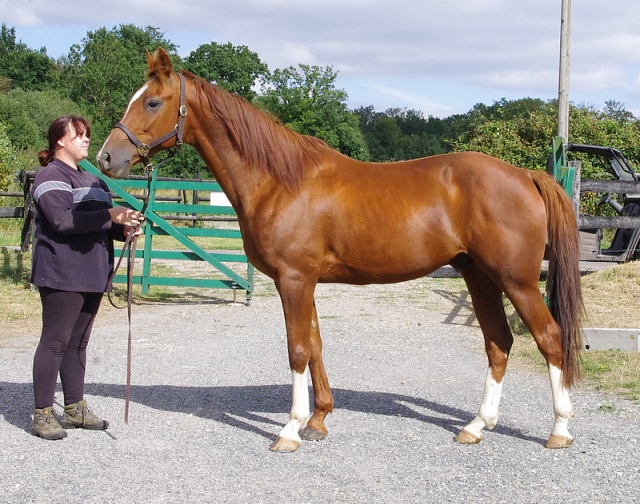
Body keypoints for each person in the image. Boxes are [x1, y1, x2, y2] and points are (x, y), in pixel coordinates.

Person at [30, 115, 144, 440]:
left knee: (78, 343)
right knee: (55, 342)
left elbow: (102, 223)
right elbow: (64, 222)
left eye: (87, 136)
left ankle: (74, 407)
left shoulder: (94, 181)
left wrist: (125, 229)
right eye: (78, 135)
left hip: (93, 271)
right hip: (62, 272)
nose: (86, 140)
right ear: (60, 141)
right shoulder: (50, 177)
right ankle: (42, 413)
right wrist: (110, 214)